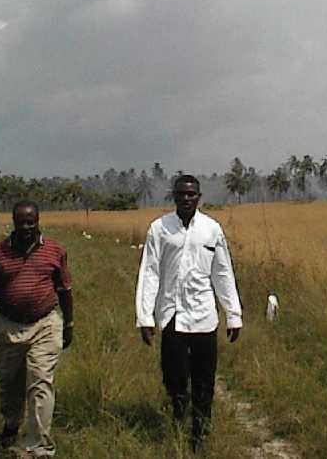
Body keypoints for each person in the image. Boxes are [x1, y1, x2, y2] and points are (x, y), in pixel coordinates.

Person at [135, 174, 243, 450]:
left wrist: (233, 314)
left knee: (204, 378)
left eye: (191, 194)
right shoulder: (159, 229)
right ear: (174, 196)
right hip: (172, 316)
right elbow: (149, 273)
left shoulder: (211, 229)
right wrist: (145, 317)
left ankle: (200, 432)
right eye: (181, 194)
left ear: (199, 197)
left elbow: (222, 272)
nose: (186, 199)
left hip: (204, 316)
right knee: (175, 377)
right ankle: (178, 414)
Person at [0, 200, 74, 457]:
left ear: (38, 221)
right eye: (22, 224)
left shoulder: (54, 251)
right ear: (14, 223)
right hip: (9, 326)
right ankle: (11, 425)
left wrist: (70, 324)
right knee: (10, 384)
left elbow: (65, 290)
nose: (27, 228)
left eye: (32, 223)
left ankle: (39, 446)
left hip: (45, 323)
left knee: (40, 382)